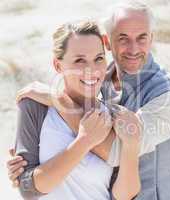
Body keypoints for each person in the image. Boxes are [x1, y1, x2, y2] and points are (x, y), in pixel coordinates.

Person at [7, 1, 170, 200]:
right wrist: (25, 173)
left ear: (151, 39)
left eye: (142, 38)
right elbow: (27, 185)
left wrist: (60, 100)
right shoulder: (98, 85)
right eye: (123, 38)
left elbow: (117, 152)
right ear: (108, 41)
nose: (133, 48)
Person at [10, 20, 141, 200]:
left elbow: (124, 196)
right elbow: (27, 188)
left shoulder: (114, 116)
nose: (92, 70)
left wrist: (132, 145)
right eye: (80, 60)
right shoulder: (36, 106)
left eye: (99, 59)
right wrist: (84, 142)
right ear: (58, 65)